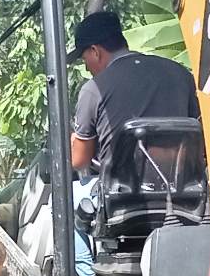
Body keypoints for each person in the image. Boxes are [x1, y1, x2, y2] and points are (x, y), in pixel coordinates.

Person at [68, 9, 199, 176]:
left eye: (84, 59)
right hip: (182, 188)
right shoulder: (180, 74)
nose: (86, 68)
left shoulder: (94, 89)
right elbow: (199, 135)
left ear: (95, 51)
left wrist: (74, 141)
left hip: (123, 191)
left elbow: (79, 161)